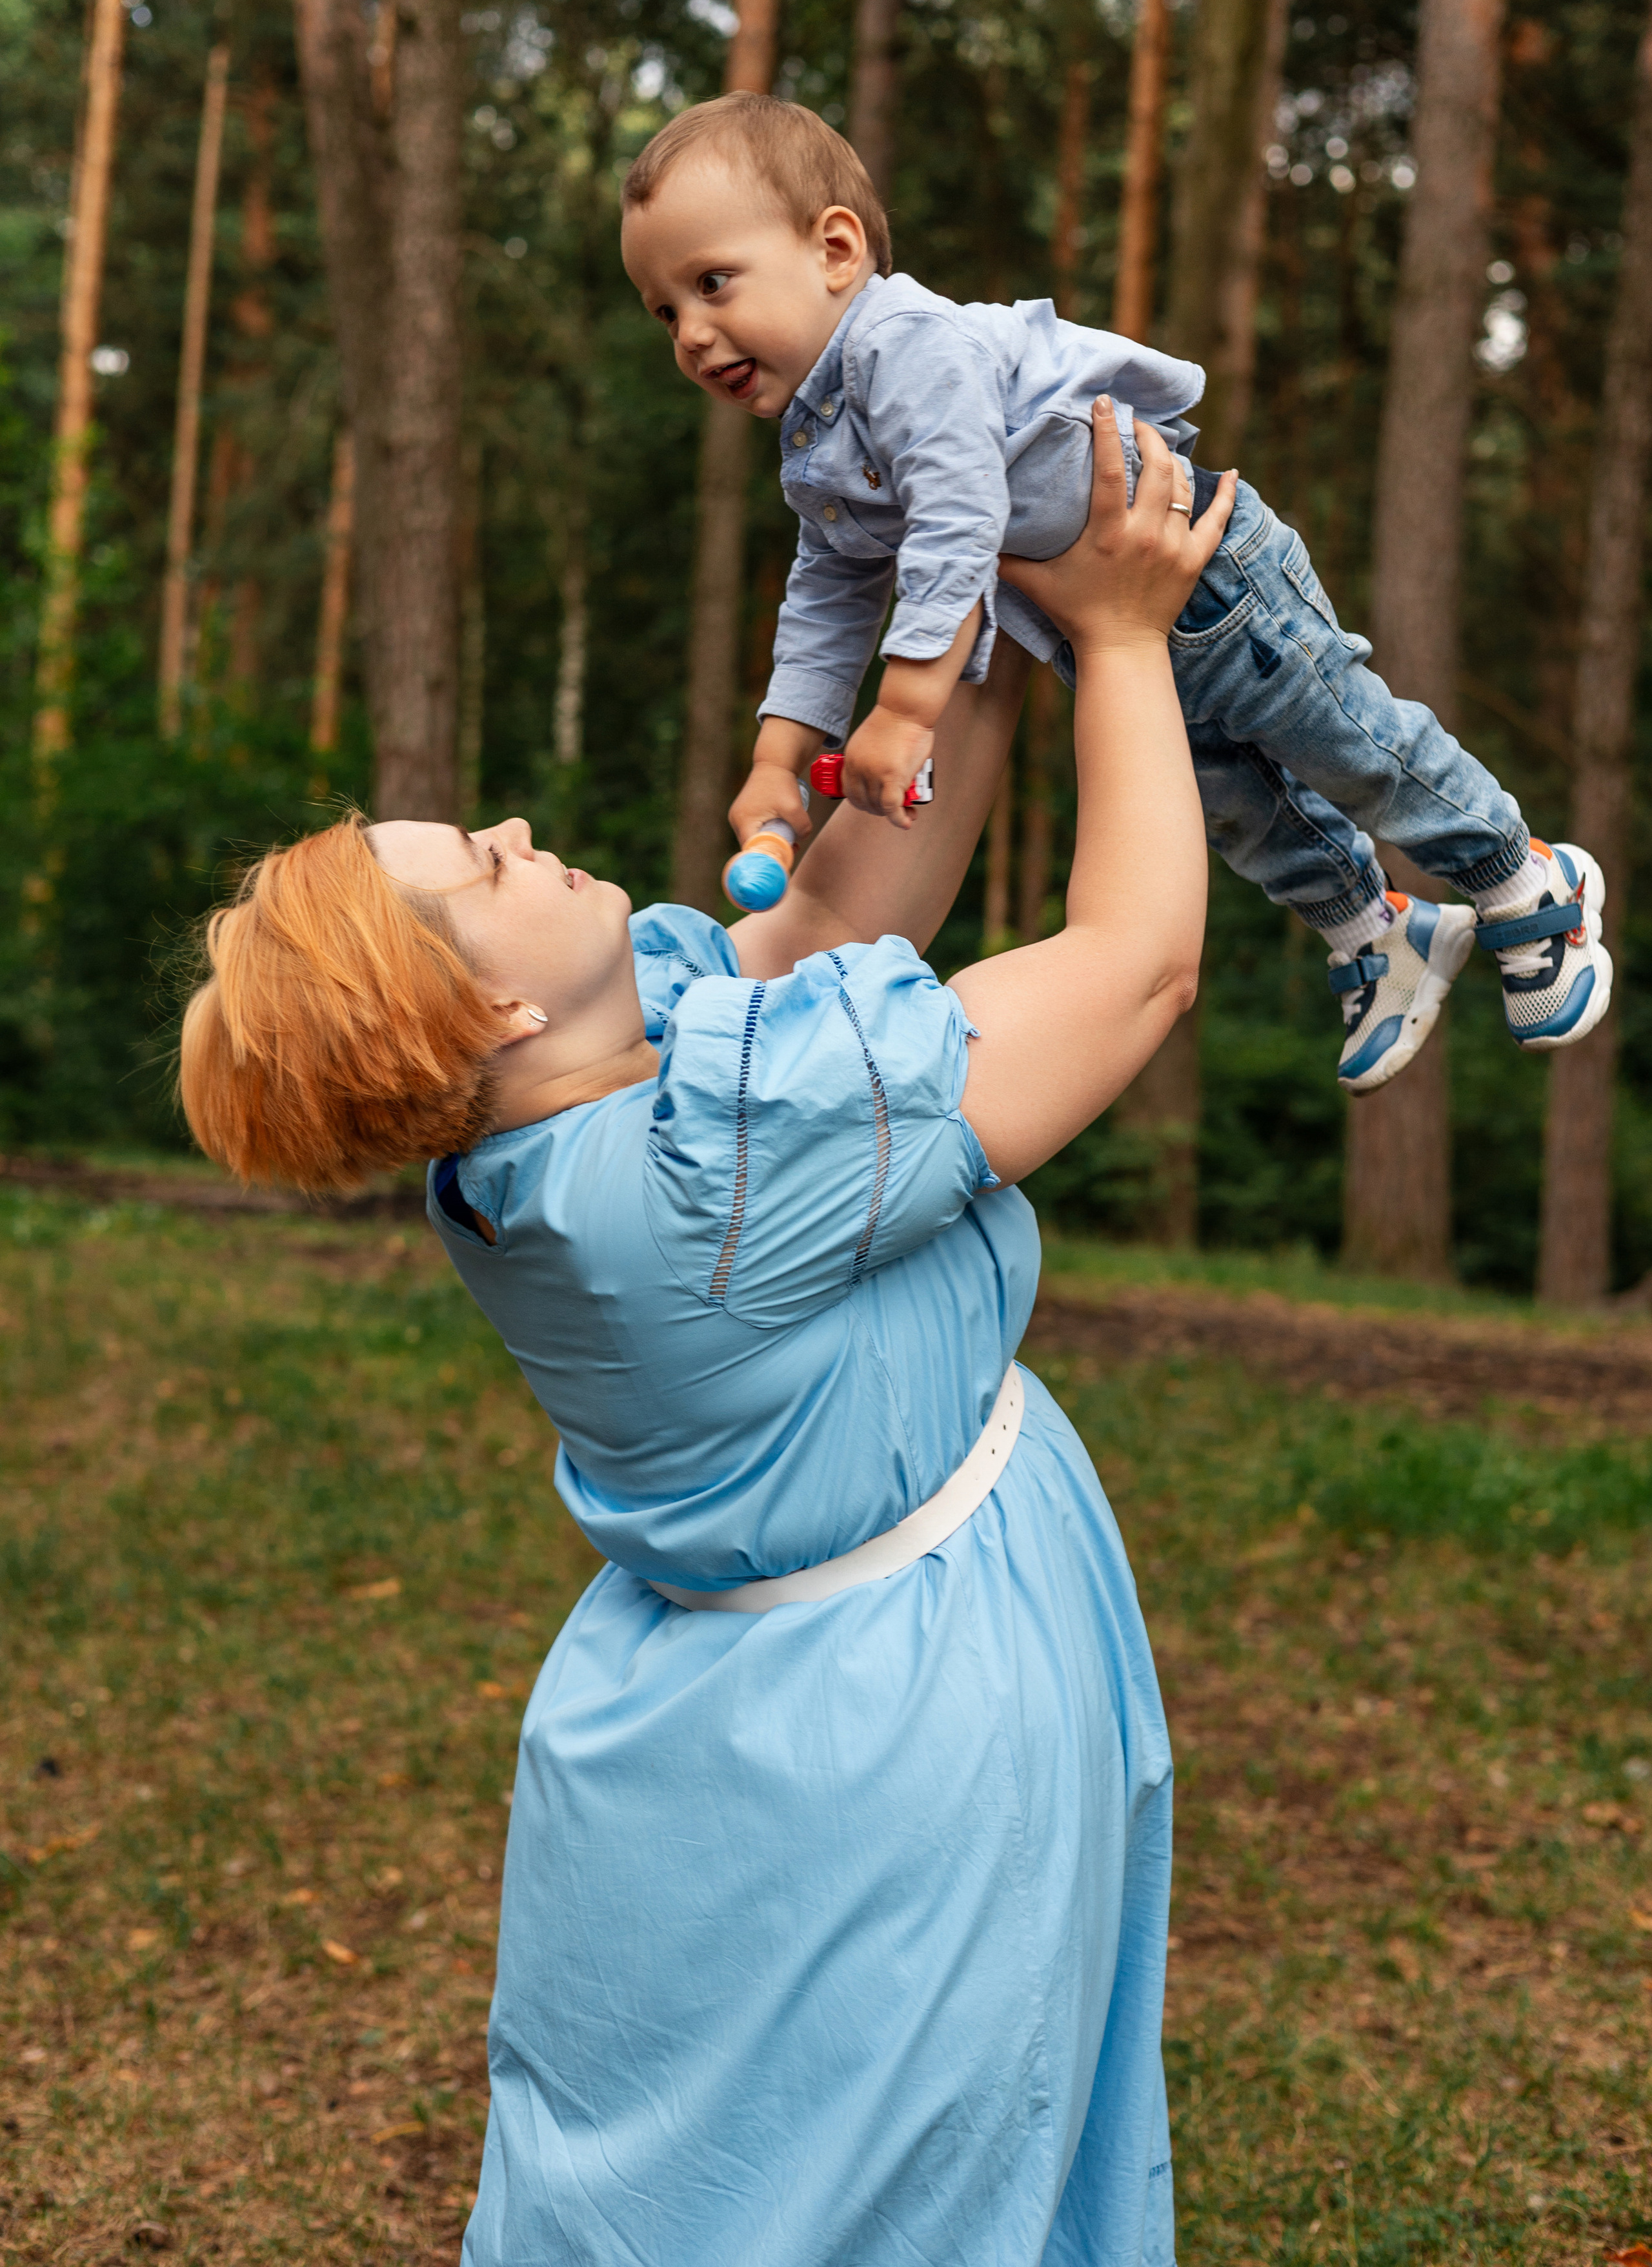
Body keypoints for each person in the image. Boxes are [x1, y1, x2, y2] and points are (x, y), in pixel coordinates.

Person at [180, 410, 1230, 2266]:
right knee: (908, 2174)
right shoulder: (708, 1180)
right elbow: (1130, 964)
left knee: (733, 2162)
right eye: (480, 862)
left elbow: (834, 915)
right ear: (481, 997)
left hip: (722, 1710)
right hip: (899, 1716)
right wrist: (1128, 642)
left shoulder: (536, 1132)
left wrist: (960, 641)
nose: (515, 829)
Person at [620, 91, 1611, 1099]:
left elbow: (958, 521)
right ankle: (1377, 928)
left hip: (1212, 577)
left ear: (835, 250)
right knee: (1232, 805)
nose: (693, 336)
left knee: (1343, 740)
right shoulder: (817, 436)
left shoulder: (903, 347)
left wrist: (907, 709)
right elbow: (827, 595)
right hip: (1098, 627)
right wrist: (778, 757)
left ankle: (1522, 874)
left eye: (713, 284)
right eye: (666, 311)